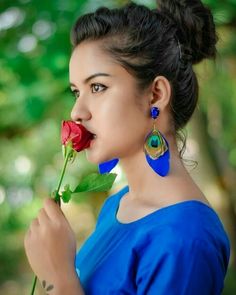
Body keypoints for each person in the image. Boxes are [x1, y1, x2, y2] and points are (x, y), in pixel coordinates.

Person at [24, 1, 231, 294]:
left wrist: (57, 278)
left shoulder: (186, 239)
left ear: (156, 94)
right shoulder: (118, 205)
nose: (77, 112)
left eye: (97, 87)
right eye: (76, 92)